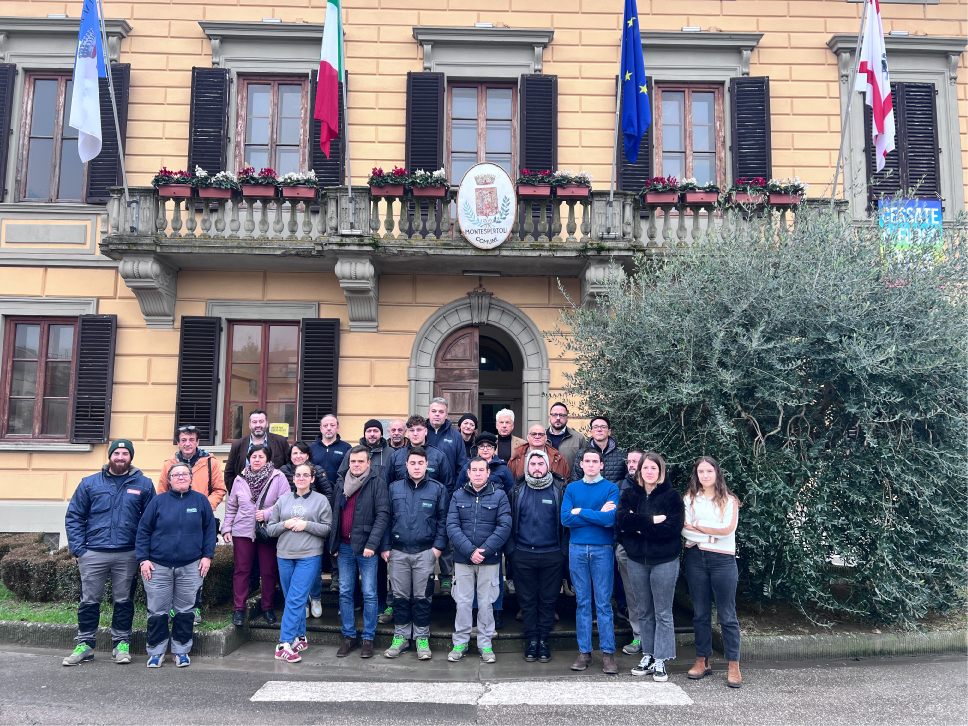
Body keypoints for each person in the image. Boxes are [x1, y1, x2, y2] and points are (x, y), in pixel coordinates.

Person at [63, 439, 155, 666]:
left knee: (124, 600)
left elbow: (151, 522)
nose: (120, 457)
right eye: (117, 453)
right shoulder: (90, 483)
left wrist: (143, 552)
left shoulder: (144, 484)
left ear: (130, 457)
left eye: (125, 453)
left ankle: (121, 644)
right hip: (93, 553)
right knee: (89, 600)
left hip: (128, 553)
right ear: (110, 456)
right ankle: (85, 644)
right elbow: (75, 516)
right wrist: (79, 550)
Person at [136, 462, 217, 668]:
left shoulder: (201, 501)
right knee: (157, 611)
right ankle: (156, 652)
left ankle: (181, 650)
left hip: (191, 566)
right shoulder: (158, 501)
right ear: (169, 480)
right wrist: (143, 559)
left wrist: (207, 556)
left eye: (184, 474)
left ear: (191, 478)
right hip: (157, 566)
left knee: (185, 611)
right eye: (176, 475)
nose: (180, 477)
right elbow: (143, 531)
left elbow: (209, 531)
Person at [616, 452, 685, 682]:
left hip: (664, 560)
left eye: (654, 468)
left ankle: (661, 659)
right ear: (639, 471)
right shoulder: (629, 494)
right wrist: (652, 520)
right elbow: (622, 521)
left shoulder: (672, 496)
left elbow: (673, 528)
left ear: (660, 471)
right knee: (644, 611)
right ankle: (648, 654)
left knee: (663, 612)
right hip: (637, 560)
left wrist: (639, 525)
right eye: (645, 468)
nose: (649, 472)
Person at [380, 446, 448, 660]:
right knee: (399, 598)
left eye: (420, 463)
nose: (416, 467)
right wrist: (385, 547)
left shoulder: (438, 489)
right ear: (406, 465)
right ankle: (400, 637)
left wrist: (437, 549)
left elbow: (443, 521)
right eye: (413, 463)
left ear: (427, 465)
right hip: (398, 553)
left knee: (422, 598)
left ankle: (421, 638)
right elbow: (385, 519)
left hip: (425, 552)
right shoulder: (393, 488)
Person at [682, 456, 742, 688]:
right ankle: (702, 660)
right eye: (700, 472)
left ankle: (733, 664)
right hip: (696, 559)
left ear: (717, 473)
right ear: (696, 475)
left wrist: (698, 527)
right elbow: (685, 531)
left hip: (723, 561)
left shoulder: (729, 500)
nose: (705, 475)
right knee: (700, 613)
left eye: (709, 471)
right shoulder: (689, 499)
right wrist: (708, 533)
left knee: (727, 615)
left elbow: (727, 530)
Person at [446, 457, 511, 664]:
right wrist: (470, 551)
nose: (477, 473)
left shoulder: (500, 496)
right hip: (463, 559)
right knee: (463, 603)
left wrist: (483, 550)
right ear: (468, 473)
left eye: (481, 470)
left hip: (489, 559)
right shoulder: (457, 496)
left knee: (486, 603)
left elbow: (504, 526)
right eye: (473, 470)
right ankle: (461, 642)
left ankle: (485, 644)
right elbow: (452, 526)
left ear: (488, 472)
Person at [266, 462, 332, 663]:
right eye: (298, 475)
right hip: (284, 555)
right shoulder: (283, 500)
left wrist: (306, 525)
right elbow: (270, 530)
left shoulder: (321, 501)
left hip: (309, 556)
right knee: (293, 599)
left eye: (306, 475)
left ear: (313, 479)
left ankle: (283, 644)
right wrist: (285, 524)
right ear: (293, 479)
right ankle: (299, 637)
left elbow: (327, 529)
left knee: (296, 597)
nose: (301, 478)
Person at [561, 447, 620, 675]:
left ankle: (608, 654)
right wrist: (593, 513)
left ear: (601, 465)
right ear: (582, 464)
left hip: (602, 549)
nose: (592, 464)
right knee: (583, 602)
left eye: (596, 461)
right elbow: (566, 519)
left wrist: (580, 512)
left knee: (603, 603)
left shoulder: (611, 488)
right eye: (588, 461)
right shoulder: (572, 488)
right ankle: (584, 652)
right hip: (576, 549)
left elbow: (609, 520)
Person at [506, 450, 569, 663]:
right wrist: (512, 551)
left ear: (548, 465)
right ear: (527, 467)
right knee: (527, 600)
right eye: (532, 464)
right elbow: (509, 521)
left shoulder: (560, 489)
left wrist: (562, 552)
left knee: (548, 600)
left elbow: (566, 524)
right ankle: (532, 639)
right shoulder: (517, 490)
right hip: (523, 555)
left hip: (552, 555)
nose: (536, 468)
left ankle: (544, 639)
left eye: (540, 463)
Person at [330, 445, 390, 659]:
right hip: (344, 547)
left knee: (370, 593)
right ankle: (349, 636)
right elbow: (335, 515)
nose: (355, 465)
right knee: (345, 591)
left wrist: (372, 545)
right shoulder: (340, 482)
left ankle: (368, 638)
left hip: (367, 549)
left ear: (368, 463)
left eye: (360, 461)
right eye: (352, 461)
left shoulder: (377, 483)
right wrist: (334, 544)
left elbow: (382, 515)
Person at [222, 443, 290, 626]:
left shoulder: (278, 477)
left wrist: (267, 513)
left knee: (268, 571)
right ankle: (239, 609)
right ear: (248, 459)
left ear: (267, 459)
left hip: (267, 530)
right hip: (242, 531)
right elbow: (232, 507)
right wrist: (226, 528)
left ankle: (267, 607)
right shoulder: (239, 479)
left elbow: (286, 503)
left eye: (261, 456)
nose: (257, 460)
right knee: (241, 570)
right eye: (253, 457)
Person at [457, 431, 514, 622]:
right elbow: (457, 491)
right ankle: (475, 612)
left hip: (494, 528)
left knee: (493, 574)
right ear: (477, 449)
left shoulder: (503, 470)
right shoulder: (468, 467)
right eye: (482, 447)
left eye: (489, 446)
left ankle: (495, 611)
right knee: (471, 576)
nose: (485, 450)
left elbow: (511, 494)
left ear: (494, 449)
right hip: (470, 528)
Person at [280, 441, 334, 617]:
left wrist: (318, 511)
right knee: (293, 572)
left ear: (308, 455)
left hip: (313, 521)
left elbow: (328, 493)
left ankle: (316, 597)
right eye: (294, 453)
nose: (298, 456)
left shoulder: (316, 470)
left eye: (301, 453)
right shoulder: (283, 471)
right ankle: (301, 603)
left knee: (314, 569)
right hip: (289, 524)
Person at [310, 414, 352, 592]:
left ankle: (336, 574)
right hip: (314, 500)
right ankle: (316, 572)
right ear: (321, 429)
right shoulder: (312, 449)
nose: (328, 428)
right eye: (325, 425)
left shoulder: (346, 448)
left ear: (337, 428)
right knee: (316, 535)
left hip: (338, 498)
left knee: (335, 534)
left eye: (332, 425)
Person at [615, 449, 644, 655]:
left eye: (636, 461)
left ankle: (653, 638)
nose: (631, 464)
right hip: (625, 546)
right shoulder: (619, 486)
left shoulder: (657, 488)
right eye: (630, 461)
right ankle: (638, 637)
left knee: (652, 595)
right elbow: (619, 517)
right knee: (632, 595)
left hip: (650, 547)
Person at [224, 410, 290, 491]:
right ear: (249, 425)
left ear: (267, 423)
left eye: (261, 421)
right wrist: (237, 494)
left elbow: (289, 468)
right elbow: (229, 473)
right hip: (245, 496)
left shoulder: (280, 442)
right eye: (254, 422)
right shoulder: (238, 445)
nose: (258, 425)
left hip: (274, 496)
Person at [570, 415, 626, 484]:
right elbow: (575, 481)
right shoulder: (581, 454)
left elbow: (627, 480)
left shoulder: (622, 453)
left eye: (603, 427)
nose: (599, 430)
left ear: (609, 432)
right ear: (591, 432)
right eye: (595, 427)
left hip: (615, 494)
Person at [506, 425, 571, 480]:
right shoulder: (516, 457)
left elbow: (566, 480)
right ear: (528, 437)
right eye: (533, 434)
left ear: (546, 438)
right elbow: (510, 481)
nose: (537, 437)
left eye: (541, 434)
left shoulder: (557, 458)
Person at [547, 402, 587, 468]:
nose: (558, 418)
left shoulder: (579, 439)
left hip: (569, 478)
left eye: (561, 415)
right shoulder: (540, 437)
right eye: (554, 415)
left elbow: (585, 463)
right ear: (549, 417)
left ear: (567, 418)